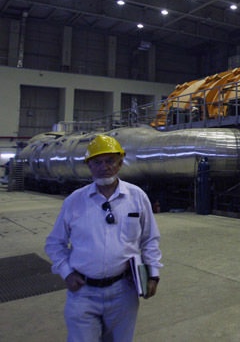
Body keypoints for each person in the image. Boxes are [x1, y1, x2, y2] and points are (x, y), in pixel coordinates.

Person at [45, 135, 162, 342]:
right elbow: (55, 243)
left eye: (110, 161)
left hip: (124, 291)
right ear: (89, 166)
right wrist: (67, 273)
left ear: (119, 163)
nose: (104, 167)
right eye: (97, 162)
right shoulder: (74, 201)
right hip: (83, 293)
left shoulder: (137, 197)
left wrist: (152, 274)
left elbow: (150, 239)